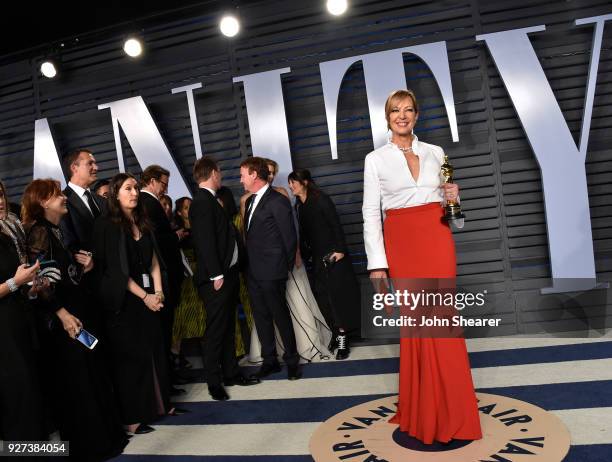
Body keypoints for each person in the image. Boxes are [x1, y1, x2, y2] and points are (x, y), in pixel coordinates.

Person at [362, 89, 482, 444]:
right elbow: (371, 213)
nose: (402, 115)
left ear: (417, 115)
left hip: (437, 239)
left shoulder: (436, 152)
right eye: (395, 110)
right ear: (387, 117)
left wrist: (454, 198)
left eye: (408, 109)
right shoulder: (375, 159)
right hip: (402, 245)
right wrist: (377, 264)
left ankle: (453, 409)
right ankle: (422, 408)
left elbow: (450, 209)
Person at [22, 179, 128, 460]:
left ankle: (104, 438)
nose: (64, 198)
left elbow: (64, 276)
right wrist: (63, 314)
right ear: (43, 202)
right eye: (57, 195)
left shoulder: (54, 230)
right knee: (77, 383)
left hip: (76, 314)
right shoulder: (39, 232)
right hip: (63, 321)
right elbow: (40, 282)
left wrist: (86, 267)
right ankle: (91, 445)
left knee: (90, 375)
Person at [93, 173, 178, 435]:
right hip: (123, 302)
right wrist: (146, 296)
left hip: (148, 297)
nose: (134, 193)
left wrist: (159, 291)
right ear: (115, 195)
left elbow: (153, 259)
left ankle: (158, 405)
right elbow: (116, 271)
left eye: (136, 188)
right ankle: (132, 419)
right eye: (128, 189)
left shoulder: (142, 220)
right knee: (130, 361)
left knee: (154, 351)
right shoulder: (106, 225)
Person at [190, 158, 260, 401]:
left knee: (228, 327)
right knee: (216, 331)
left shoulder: (208, 200)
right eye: (219, 172)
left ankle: (231, 373)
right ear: (212, 173)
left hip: (225, 276)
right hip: (215, 279)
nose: (221, 176)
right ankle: (213, 382)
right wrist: (216, 275)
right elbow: (205, 241)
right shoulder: (201, 202)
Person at [248, 160, 331, 364]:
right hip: (258, 267)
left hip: (282, 263)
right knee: (267, 311)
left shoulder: (280, 196)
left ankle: (297, 351)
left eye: (273, 172)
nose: (271, 175)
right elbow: (247, 236)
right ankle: (271, 354)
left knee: (289, 306)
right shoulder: (248, 200)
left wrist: (294, 254)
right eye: (268, 171)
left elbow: (289, 231)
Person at [239, 156, 301, 380]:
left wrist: (282, 268)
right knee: (261, 316)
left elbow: (289, 237)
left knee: (280, 316)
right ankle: (270, 360)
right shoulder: (251, 200)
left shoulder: (277, 200)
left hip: (272, 271)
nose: (241, 180)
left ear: (254, 175)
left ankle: (292, 361)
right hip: (253, 271)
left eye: (243, 175)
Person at [288, 169, 359, 360]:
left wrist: (340, 250)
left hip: (333, 256)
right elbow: (304, 234)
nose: (291, 187)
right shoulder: (299, 206)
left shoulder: (321, 199)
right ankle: (336, 333)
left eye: (293, 182)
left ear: (304, 182)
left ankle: (343, 337)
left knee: (337, 299)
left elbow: (335, 225)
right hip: (317, 259)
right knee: (323, 299)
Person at [0, 180, 46, 442]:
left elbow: (18, 274)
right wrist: (15, 283)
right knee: (18, 400)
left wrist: (30, 286)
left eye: (1, 194)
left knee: (30, 397)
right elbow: (12, 280)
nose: (0, 200)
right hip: (4, 333)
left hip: (21, 320)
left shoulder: (9, 226)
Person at [139, 165, 186, 390]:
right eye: (163, 184)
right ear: (151, 181)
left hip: (165, 275)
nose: (165, 189)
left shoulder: (150, 203)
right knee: (163, 331)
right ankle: (167, 381)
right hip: (162, 277)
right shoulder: (148, 203)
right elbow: (159, 245)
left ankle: (169, 379)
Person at [171, 196, 204, 369]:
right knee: (182, 317)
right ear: (179, 212)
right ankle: (176, 354)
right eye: (185, 208)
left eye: (191, 206)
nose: (189, 210)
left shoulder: (201, 226)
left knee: (203, 314)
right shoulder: (176, 231)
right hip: (185, 279)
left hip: (202, 276)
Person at [60, 148, 104, 252]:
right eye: (90, 163)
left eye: (95, 163)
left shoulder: (102, 201)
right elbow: (68, 243)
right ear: (74, 168)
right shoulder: (62, 201)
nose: (96, 167)